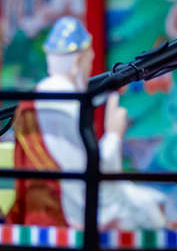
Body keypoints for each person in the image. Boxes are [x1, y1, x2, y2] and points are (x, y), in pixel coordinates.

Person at [9, 17, 166, 230]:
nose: (90, 67)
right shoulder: (64, 98)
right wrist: (113, 134)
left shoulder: (39, 94)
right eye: (88, 60)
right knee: (151, 208)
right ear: (77, 61)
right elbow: (87, 173)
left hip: (48, 200)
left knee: (147, 201)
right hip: (68, 210)